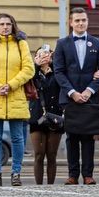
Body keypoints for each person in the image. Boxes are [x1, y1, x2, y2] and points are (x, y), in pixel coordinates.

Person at [53, 8, 99, 186]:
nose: (80, 23)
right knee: (71, 137)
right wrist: (73, 92)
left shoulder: (97, 43)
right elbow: (59, 72)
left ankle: (88, 175)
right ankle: (72, 174)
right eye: (77, 20)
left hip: (90, 98)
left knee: (88, 137)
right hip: (69, 98)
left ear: (87, 21)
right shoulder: (62, 44)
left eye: (83, 20)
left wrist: (89, 91)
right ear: (71, 22)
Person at [0, 13, 35, 187]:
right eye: (2, 24)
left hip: (15, 96)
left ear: (13, 26)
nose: (5, 27)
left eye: (8, 24)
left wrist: (11, 85)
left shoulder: (21, 44)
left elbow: (28, 69)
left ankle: (16, 173)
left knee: (18, 137)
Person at [29, 45, 63, 185]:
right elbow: (26, 81)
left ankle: (50, 186)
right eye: (39, 54)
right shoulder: (32, 72)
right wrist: (36, 66)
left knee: (52, 155)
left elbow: (62, 82)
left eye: (46, 53)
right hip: (37, 115)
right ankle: (39, 186)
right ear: (35, 57)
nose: (43, 56)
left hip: (55, 115)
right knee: (38, 154)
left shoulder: (57, 72)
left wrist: (53, 63)